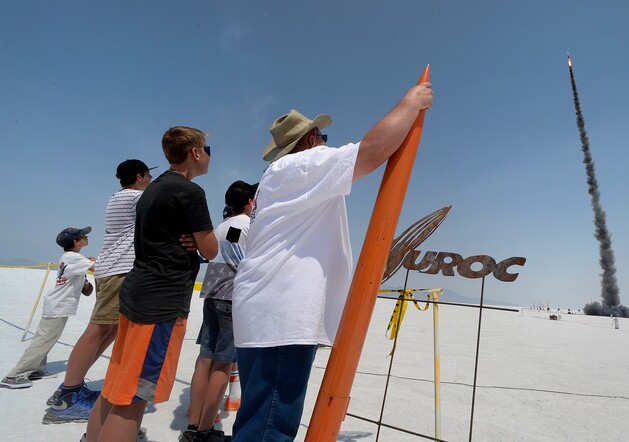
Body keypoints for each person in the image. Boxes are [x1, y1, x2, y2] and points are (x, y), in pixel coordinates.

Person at [230, 81, 433, 440]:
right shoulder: (301, 166)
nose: (326, 143)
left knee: (262, 417)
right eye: (322, 136)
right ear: (309, 140)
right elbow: (371, 151)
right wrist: (410, 102)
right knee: (269, 425)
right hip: (279, 313)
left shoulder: (280, 178)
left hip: (268, 311)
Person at [85, 126, 218, 442]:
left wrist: (189, 238)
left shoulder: (152, 190)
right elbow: (211, 249)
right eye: (208, 150)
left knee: (117, 382)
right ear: (195, 153)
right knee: (133, 397)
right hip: (161, 303)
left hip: (136, 294)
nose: (210, 157)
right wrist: (196, 240)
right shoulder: (190, 192)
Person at [43, 159, 155, 424]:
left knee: (110, 329)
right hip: (118, 271)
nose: (151, 179)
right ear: (139, 176)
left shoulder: (121, 197)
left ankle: (73, 387)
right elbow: (164, 200)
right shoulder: (133, 197)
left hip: (114, 270)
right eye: (149, 175)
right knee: (97, 329)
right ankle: (67, 398)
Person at [181, 180, 257, 442]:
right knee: (223, 363)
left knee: (205, 359)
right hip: (231, 296)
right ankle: (204, 432)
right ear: (249, 202)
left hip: (212, 293)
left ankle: (193, 427)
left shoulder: (222, 227)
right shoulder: (249, 226)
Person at [0, 227, 95, 389]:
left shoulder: (71, 257)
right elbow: (97, 267)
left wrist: (90, 261)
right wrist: (93, 261)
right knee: (43, 340)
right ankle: (14, 375)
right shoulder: (74, 258)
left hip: (57, 305)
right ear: (76, 241)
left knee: (46, 338)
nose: (87, 238)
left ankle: (37, 369)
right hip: (59, 306)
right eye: (83, 236)